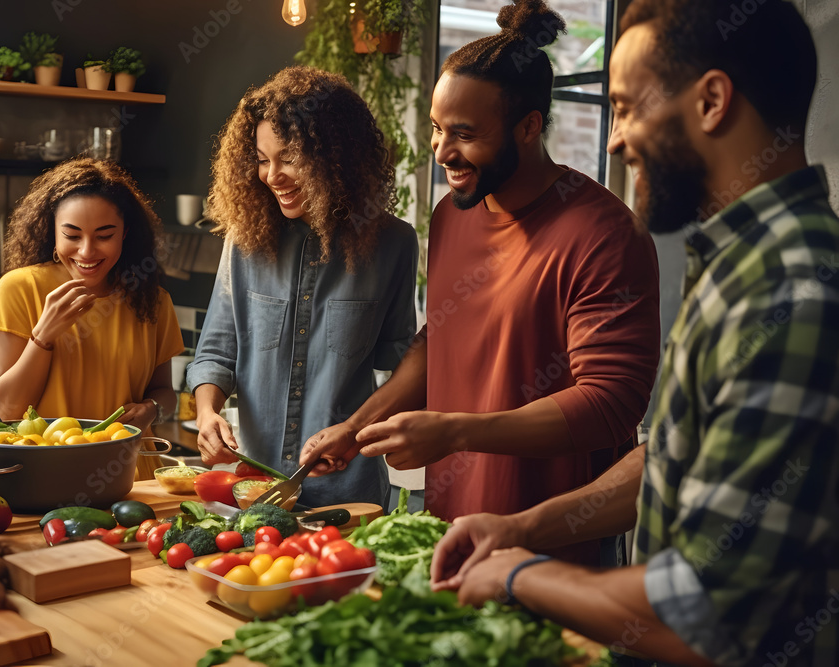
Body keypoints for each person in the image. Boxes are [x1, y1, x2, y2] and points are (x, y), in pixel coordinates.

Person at [430, 0, 839, 664]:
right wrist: (520, 528)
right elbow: (679, 460)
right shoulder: (743, 266)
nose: (615, 140)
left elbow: (707, 615)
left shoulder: (789, 288)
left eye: (626, 107)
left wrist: (516, 575)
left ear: (711, 101)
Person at [301, 0, 661, 565]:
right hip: (447, 530)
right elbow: (438, 342)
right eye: (438, 130)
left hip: (553, 546)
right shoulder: (452, 214)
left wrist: (454, 433)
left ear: (529, 125)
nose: (443, 152)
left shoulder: (605, 234)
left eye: (464, 134)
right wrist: (356, 426)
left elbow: (609, 404)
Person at [187, 66, 419, 508]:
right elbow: (216, 351)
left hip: (348, 494)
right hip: (252, 488)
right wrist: (207, 413)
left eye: (289, 158)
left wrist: (355, 430)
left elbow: (403, 363)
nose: (272, 175)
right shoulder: (245, 240)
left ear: (338, 158)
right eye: (261, 158)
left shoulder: (393, 244)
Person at [0, 158, 183, 434]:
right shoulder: (19, 289)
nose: (87, 252)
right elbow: (9, 410)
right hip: (51, 467)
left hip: (132, 468)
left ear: (124, 233)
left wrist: (152, 409)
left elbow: (165, 394)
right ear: (52, 231)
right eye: (72, 235)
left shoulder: (152, 300)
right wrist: (43, 336)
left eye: (104, 235)